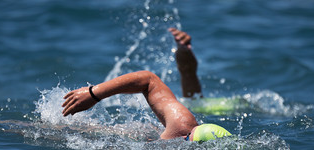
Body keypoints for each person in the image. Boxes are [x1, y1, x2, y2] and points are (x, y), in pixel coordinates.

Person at [62, 29, 231, 142]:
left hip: (152, 137)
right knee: (83, 131)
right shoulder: (182, 127)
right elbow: (148, 80)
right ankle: (184, 52)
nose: (186, 136)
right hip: (147, 134)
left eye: (188, 137)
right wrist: (93, 94)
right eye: (188, 136)